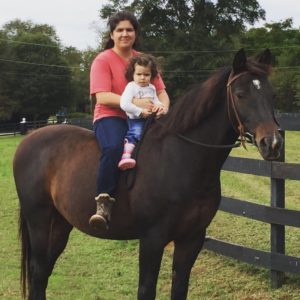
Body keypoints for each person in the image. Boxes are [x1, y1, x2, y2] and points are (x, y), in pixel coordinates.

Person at [88, 11, 170, 230]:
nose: (125, 34)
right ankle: (103, 203)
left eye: (129, 30)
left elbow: (161, 92)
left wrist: (163, 107)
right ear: (112, 34)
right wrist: (136, 103)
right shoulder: (102, 60)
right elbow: (102, 96)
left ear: (135, 33)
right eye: (120, 30)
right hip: (110, 116)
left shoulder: (143, 60)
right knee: (115, 147)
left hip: (144, 117)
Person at [118, 54, 165, 170]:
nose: (142, 77)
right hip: (136, 119)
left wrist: (159, 107)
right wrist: (140, 112)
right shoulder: (131, 87)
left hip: (149, 119)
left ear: (152, 75)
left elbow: (156, 101)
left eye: (146, 74)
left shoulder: (152, 88)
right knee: (136, 133)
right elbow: (124, 104)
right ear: (133, 74)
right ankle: (126, 156)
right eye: (139, 74)